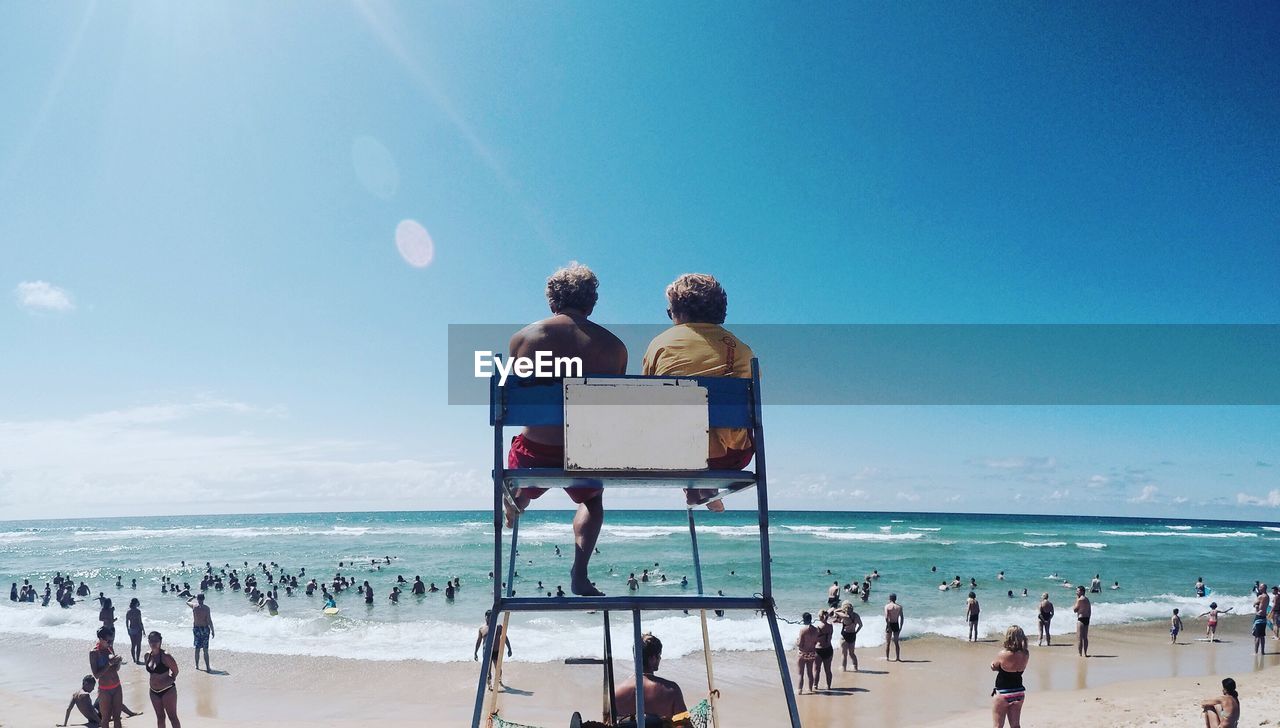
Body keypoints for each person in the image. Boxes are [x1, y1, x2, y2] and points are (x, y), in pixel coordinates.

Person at [505, 264, 626, 597]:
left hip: (535, 452)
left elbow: (521, 392)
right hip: (585, 453)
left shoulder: (524, 338)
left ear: (551, 302)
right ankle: (580, 574)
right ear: (591, 303)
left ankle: (519, 499)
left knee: (524, 454)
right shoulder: (615, 347)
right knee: (592, 501)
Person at [641, 273, 756, 511]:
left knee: (678, 427)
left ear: (679, 312)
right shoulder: (744, 351)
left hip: (674, 456)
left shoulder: (660, 345)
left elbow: (648, 402)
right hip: (730, 458)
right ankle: (706, 488)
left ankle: (693, 488)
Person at [613, 633, 687, 722]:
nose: (660, 658)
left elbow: (608, 723)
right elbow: (684, 724)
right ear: (652, 658)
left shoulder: (616, 692)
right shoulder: (671, 690)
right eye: (659, 655)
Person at [990, 625, 1030, 728]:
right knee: (1015, 725)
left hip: (1003, 691)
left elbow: (994, 667)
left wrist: (994, 665)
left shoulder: (1003, 654)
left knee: (998, 725)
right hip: (1018, 691)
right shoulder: (1025, 653)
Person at [145, 631, 181, 728]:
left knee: (172, 717)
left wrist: (171, 679)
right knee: (160, 717)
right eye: (151, 641)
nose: (153, 643)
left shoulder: (166, 656)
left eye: (156, 641)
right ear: (148, 641)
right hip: (153, 692)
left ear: (160, 641)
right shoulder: (147, 655)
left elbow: (176, 671)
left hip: (167, 690)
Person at [89, 627, 123, 728]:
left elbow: (116, 669)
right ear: (101, 639)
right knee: (106, 718)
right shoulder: (94, 653)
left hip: (117, 686)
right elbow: (96, 675)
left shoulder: (110, 648)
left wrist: (118, 662)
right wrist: (109, 664)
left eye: (112, 640)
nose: (110, 642)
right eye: (108, 640)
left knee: (117, 717)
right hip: (104, 690)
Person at [474, 610, 513, 675]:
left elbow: (505, 637)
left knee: (498, 669)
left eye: (491, 616)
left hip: (496, 650)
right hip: (486, 652)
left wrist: (509, 648)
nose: (489, 618)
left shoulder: (498, 627)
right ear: (485, 617)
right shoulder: (482, 629)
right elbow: (479, 641)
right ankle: (489, 684)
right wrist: (475, 652)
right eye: (488, 616)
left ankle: (499, 682)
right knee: (487, 670)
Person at [832, 601, 862, 671]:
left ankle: (843, 668)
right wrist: (856, 632)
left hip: (845, 636)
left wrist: (841, 609)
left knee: (844, 654)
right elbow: (861, 625)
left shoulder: (844, 616)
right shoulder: (856, 615)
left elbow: (835, 611)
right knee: (852, 653)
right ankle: (855, 667)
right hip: (853, 635)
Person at [793, 613, 819, 695]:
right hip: (811, 653)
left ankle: (799, 690)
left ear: (804, 619)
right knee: (810, 672)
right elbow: (816, 642)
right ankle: (810, 689)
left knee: (800, 673)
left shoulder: (803, 630)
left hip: (803, 653)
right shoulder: (816, 630)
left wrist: (796, 642)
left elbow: (800, 644)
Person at [187, 594, 214, 671]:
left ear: (198, 599)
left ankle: (197, 665)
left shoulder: (194, 606)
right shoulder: (207, 608)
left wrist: (192, 597)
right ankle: (208, 667)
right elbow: (209, 620)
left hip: (197, 629)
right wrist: (212, 630)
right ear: (204, 599)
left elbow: (187, 601)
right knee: (205, 650)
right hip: (205, 629)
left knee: (197, 648)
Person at [814, 609, 835, 690]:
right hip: (829, 648)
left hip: (819, 650)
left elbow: (815, 640)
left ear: (820, 617)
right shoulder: (830, 626)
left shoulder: (818, 627)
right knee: (828, 670)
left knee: (816, 670)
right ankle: (828, 686)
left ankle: (815, 686)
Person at [884, 593, 904, 661]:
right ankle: (897, 658)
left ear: (889, 598)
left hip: (889, 624)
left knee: (888, 643)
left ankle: (887, 658)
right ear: (895, 599)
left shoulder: (887, 606)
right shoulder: (899, 607)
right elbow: (902, 617)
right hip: (896, 624)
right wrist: (901, 627)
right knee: (896, 642)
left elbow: (886, 617)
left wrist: (888, 626)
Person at [1072, 586, 1091, 657]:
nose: (1076, 592)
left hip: (1081, 619)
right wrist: (1089, 618)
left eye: (1078, 591)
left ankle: (1080, 654)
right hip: (1086, 619)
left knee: (1079, 638)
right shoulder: (1087, 599)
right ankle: (1085, 653)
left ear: (1082, 591)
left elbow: (1075, 610)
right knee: (1085, 638)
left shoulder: (1080, 599)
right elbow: (1089, 610)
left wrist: (1076, 599)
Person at [125, 599, 144, 664]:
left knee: (133, 645)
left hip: (131, 629)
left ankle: (134, 659)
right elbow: (140, 622)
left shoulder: (128, 612)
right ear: (136, 603)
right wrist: (143, 630)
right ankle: (138, 660)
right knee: (138, 645)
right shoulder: (138, 611)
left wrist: (128, 630)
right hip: (138, 629)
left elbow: (127, 622)